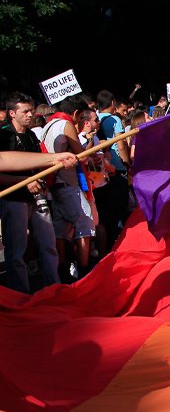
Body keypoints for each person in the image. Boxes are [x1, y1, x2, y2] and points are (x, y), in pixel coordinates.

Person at [0, 93, 60, 292]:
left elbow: (37, 162)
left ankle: (54, 287)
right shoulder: (3, 136)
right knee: (16, 249)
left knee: (47, 243)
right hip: (14, 198)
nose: (30, 114)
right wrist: (24, 182)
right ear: (12, 113)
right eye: (24, 111)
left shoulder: (32, 135)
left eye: (31, 110)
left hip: (37, 196)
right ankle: (21, 295)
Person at [41, 94, 96, 280]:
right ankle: (84, 270)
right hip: (66, 183)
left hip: (52, 183)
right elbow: (81, 154)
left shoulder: (48, 124)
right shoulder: (66, 124)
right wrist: (91, 147)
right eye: (80, 118)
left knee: (61, 227)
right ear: (75, 113)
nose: (80, 122)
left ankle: (63, 270)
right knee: (85, 222)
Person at [95, 90, 132, 254]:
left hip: (102, 169)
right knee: (120, 206)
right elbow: (121, 144)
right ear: (112, 104)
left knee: (106, 210)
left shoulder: (95, 120)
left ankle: (108, 246)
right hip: (116, 165)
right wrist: (126, 163)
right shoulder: (115, 119)